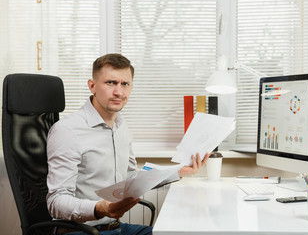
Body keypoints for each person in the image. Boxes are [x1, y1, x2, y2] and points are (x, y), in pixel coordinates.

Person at [46, 53, 210, 235]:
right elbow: (56, 202)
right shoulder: (67, 131)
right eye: (110, 83)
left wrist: (178, 171)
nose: (119, 92)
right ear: (92, 86)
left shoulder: (120, 125)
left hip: (115, 228)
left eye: (125, 84)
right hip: (79, 231)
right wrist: (100, 208)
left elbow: (132, 179)